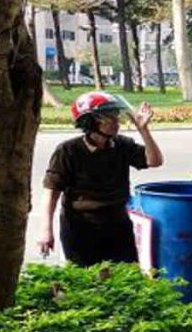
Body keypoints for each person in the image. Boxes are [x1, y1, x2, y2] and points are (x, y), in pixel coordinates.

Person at [38, 91, 163, 266]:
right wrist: (46, 230)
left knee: (124, 279)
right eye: (109, 117)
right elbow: (51, 193)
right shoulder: (68, 151)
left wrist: (144, 131)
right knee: (86, 281)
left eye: (115, 115)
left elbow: (154, 161)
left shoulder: (122, 145)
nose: (116, 121)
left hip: (118, 223)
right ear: (90, 121)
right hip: (80, 226)